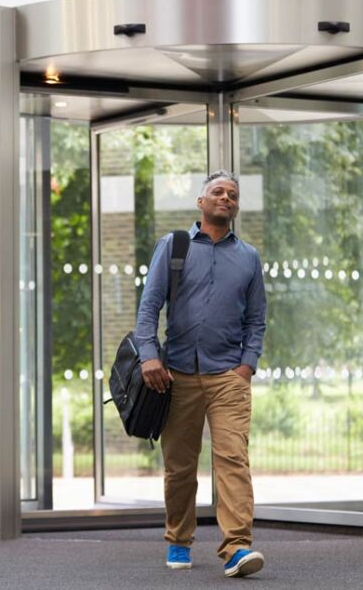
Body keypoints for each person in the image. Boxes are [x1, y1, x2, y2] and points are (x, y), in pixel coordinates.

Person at [134, 170, 267, 578]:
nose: (225, 198)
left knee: (233, 460)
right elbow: (149, 307)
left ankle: (236, 547)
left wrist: (246, 366)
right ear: (201, 202)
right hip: (175, 376)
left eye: (232, 194)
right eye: (217, 192)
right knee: (180, 465)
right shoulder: (173, 247)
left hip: (228, 375)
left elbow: (257, 320)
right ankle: (178, 540)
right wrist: (148, 356)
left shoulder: (248, 257)